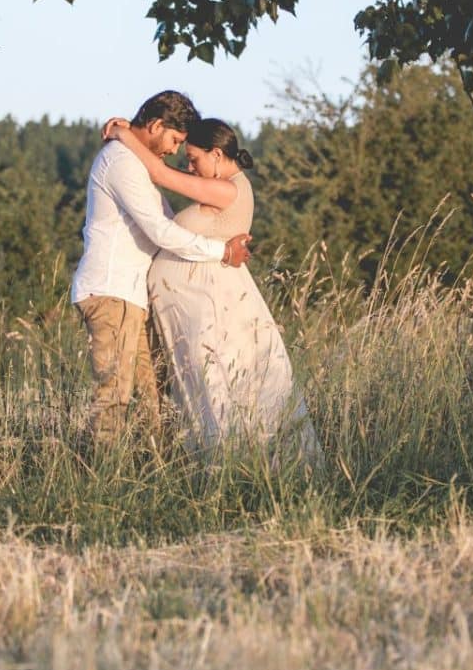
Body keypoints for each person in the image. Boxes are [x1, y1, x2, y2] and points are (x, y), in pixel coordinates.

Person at [101, 114, 320, 463]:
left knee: (217, 384)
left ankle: (231, 461)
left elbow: (159, 175)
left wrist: (128, 136)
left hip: (210, 305)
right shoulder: (225, 184)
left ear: (216, 154)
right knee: (209, 386)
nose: (189, 166)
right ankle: (217, 458)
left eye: (194, 158)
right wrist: (142, 135)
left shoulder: (227, 188)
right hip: (199, 303)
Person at [70, 91, 253, 450]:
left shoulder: (134, 164)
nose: (173, 150)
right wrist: (221, 252)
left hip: (130, 297)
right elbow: (160, 231)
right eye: (173, 140)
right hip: (112, 292)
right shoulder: (121, 162)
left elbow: (169, 224)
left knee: (153, 399)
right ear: (155, 125)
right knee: (114, 396)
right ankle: (98, 480)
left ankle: (151, 474)